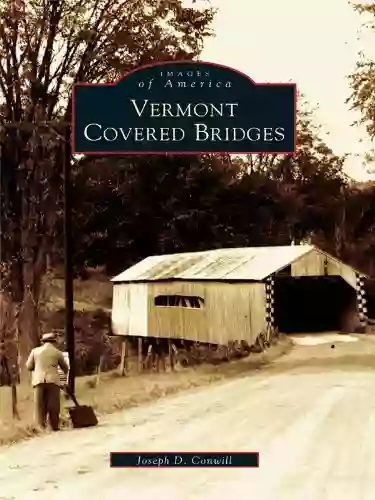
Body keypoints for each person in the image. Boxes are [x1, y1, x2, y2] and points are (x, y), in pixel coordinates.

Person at [26, 332, 69, 431]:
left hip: (38, 380)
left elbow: (29, 366)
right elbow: (65, 368)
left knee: (39, 405)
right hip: (53, 380)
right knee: (53, 405)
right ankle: (54, 426)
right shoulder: (57, 352)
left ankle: (40, 426)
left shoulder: (35, 351)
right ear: (54, 341)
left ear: (43, 342)